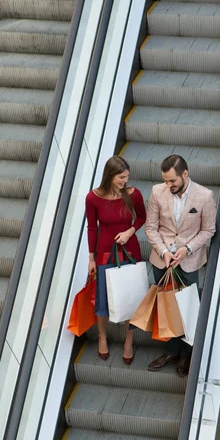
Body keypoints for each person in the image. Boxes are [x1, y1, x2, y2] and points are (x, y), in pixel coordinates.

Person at [145, 154, 216, 377]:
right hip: (162, 259)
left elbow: (208, 230)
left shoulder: (205, 196)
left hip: (189, 261)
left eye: (172, 181)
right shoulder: (157, 192)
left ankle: (185, 352)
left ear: (185, 174)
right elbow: (150, 228)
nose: (169, 185)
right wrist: (164, 251)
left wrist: (188, 249)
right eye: (165, 181)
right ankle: (171, 351)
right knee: (167, 307)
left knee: (187, 308)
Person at [86, 155, 146, 365]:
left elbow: (141, 218)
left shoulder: (133, 194)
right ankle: (102, 336)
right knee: (103, 297)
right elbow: (92, 227)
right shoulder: (93, 197)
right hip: (104, 251)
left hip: (129, 249)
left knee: (130, 296)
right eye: (121, 177)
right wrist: (91, 257)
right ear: (109, 176)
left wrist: (130, 231)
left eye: (126, 177)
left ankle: (128, 341)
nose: (124, 181)